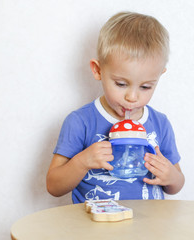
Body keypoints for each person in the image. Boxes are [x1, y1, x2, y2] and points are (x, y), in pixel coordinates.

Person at [46, 12, 185, 203]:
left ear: (160, 76)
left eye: (145, 87)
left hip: (148, 229)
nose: (132, 97)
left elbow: (176, 185)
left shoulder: (160, 123)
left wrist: (171, 176)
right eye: (121, 84)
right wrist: (82, 161)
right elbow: (53, 186)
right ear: (98, 70)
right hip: (95, 228)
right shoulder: (80, 121)